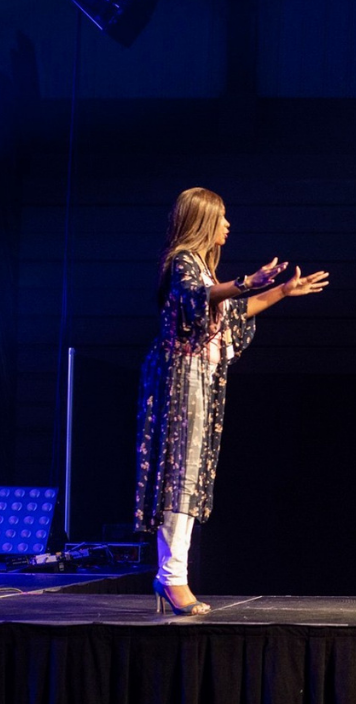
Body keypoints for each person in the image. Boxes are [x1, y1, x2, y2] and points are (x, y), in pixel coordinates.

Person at [134, 187, 329, 615]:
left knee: (191, 476)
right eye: (221, 217)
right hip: (182, 379)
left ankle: (171, 574)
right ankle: (172, 578)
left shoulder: (203, 270)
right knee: (181, 476)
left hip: (200, 378)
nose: (227, 225)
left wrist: (281, 292)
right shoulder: (182, 263)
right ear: (204, 220)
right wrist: (244, 282)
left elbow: (233, 313)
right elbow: (198, 299)